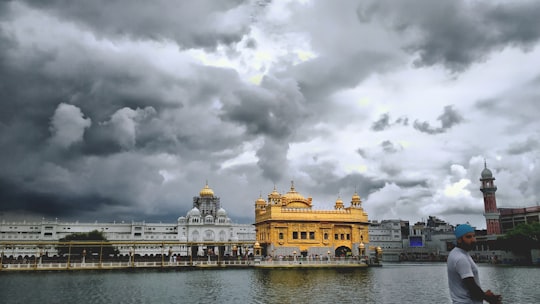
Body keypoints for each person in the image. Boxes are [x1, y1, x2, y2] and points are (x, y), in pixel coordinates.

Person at [447, 224, 502, 304]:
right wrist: (489, 298)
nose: (473, 240)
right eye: (468, 237)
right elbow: (471, 286)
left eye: (473, 236)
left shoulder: (456, 253)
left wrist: (485, 295)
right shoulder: (461, 258)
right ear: (459, 239)